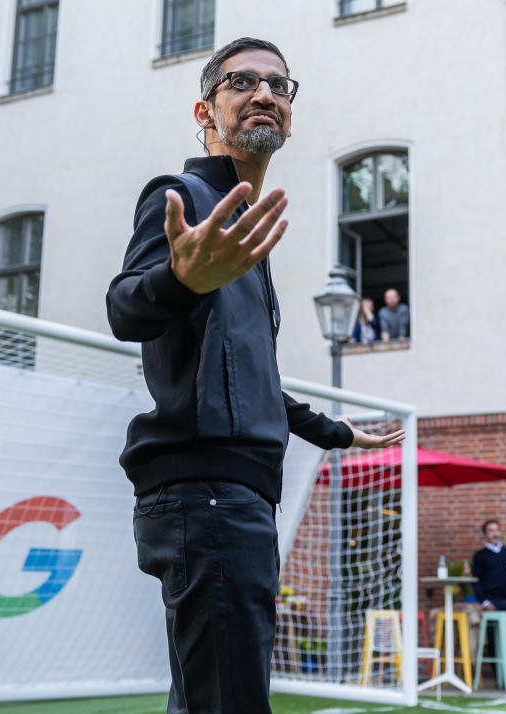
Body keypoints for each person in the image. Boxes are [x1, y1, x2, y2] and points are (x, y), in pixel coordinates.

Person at [105, 37, 405, 713]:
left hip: (234, 494)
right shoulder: (183, 200)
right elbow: (125, 307)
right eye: (242, 82)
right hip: (204, 493)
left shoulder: (245, 230)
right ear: (204, 112)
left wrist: (330, 430)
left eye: (279, 85)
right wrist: (179, 280)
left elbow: (254, 374)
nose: (265, 93)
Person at [472, 520, 506, 611]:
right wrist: (484, 602)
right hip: (491, 601)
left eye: (497, 530)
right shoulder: (480, 555)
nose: (495, 534)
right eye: (491, 531)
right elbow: (476, 581)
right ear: (485, 534)